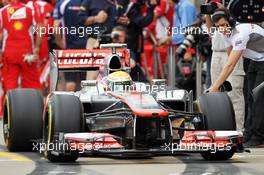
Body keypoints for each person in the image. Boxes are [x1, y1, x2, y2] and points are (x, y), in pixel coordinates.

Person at [208, 8, 264, 147]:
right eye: (218, 26)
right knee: (250, 97)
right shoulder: (226, 34)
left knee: (258, 99)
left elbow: (231, 65)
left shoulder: (240, 34)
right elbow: (229, 59)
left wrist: (215, 86)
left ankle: (259, 137)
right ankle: (249, 134)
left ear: (230, 21)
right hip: (256, 60)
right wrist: (223, 82)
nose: (221, 29)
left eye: (223, 25)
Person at [204, 3, 245, 131]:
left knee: (234, 93)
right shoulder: (213, 9)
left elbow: (235, 23)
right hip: (216, 52)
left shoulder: (233, 5)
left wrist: (223, 8)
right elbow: (211, 30)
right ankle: (220, 130)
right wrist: (207, 12)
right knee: (215, 92)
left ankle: (238, 131)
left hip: (234, 51)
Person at [0, 0, 42, 116]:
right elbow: (39, 28)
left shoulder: (3, 11)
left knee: (10, 83)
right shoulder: (30, 9)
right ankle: (37, 111)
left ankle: (10, 113)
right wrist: (37, 47)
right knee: (33, 82)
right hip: (27, 52)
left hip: (10, 52)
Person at [53, 0, 88, 91]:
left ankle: (69, 104)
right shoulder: (87, 2)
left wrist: (61, 44)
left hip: (69, 48)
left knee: (70, 81)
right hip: (87, 48)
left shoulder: (62, 3)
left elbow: (55, 27)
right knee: (86, 82)